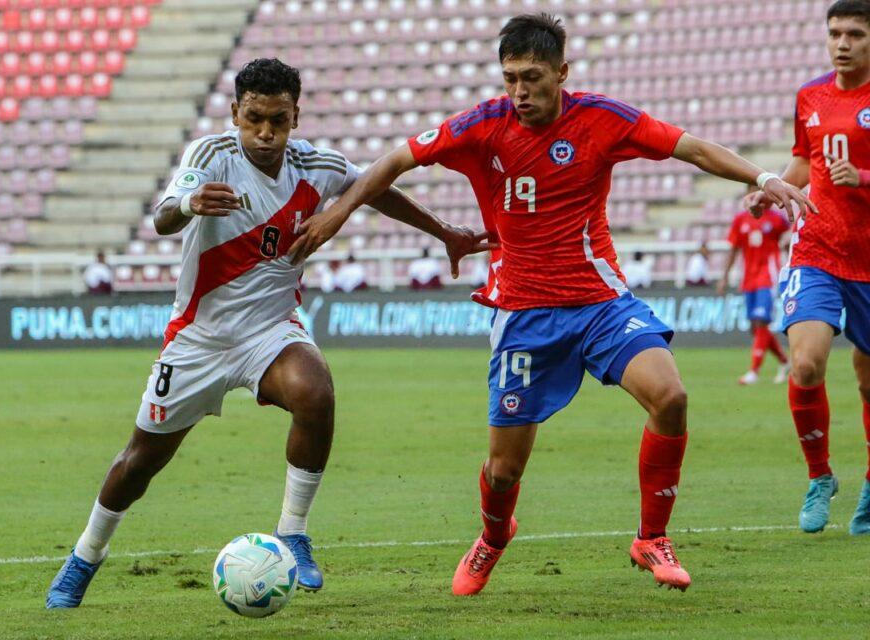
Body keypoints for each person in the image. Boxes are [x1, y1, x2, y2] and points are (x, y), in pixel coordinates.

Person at [290, 14, 814, 593]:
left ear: (561, 73)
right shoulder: (480, 126)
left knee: (671, 397)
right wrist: (341, 211)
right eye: (510, 77)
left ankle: (651, 537)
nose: (520, 91)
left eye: (533, 77)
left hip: (600, 301)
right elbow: (392, 163)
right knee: (504, 468)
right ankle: (492, 536)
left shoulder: (603, 120)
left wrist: (763, 176)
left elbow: (691, 148)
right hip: (523, 314)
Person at [46, 58, 485, 608]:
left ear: (296, 115)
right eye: (254, 118)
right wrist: (187, 204)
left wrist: (444, 230)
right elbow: (162, 216)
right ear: (235, 112)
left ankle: (293, 534)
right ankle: (85, 557)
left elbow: (374, 187)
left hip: (270, 332)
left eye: (278, 119)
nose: (265, 132)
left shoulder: (317, 166)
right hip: (198, 339)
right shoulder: (212, 156)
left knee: (315, 391)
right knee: (140, 462)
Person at [746, 0, 870, 536]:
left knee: (867, 381)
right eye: (835, 33)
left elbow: (848, 170)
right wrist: (772, 187)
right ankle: (821, 476)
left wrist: (861, 178)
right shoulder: (811, 96)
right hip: (817, 250)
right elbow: (806, 159)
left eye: (855, 35)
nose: (842, 44)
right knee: (806, 365)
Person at [718, 185, 791, 385]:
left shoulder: (776, 218)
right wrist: (724, 277)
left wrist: (787, 242)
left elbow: (793, 231)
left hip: (768, 275)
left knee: (761, 322)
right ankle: (785, 362)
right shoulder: (740, 220)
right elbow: (733, 249)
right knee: (756, 327)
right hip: (748, 277)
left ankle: (754, 371)